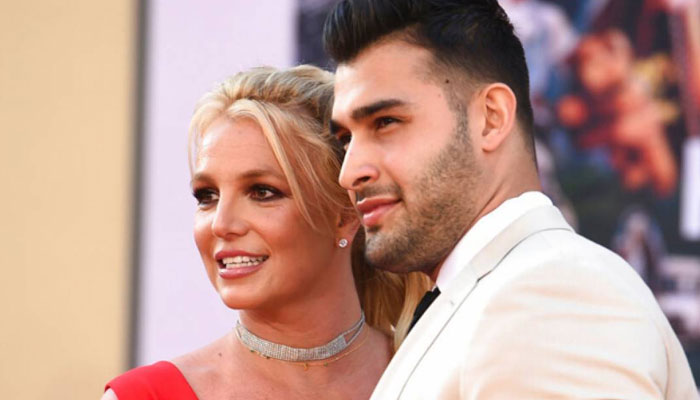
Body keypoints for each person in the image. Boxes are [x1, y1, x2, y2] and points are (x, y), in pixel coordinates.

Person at [323, 0, 698, 398]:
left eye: (385, 122)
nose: (350, 172)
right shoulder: (506, 291)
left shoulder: (550, 298)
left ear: (492, 118)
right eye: (346, 139)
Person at [102, 65, 431, 399]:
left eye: (262, 192)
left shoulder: (437, 376)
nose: (221, 224)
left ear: (345, 215)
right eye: (207, 196)